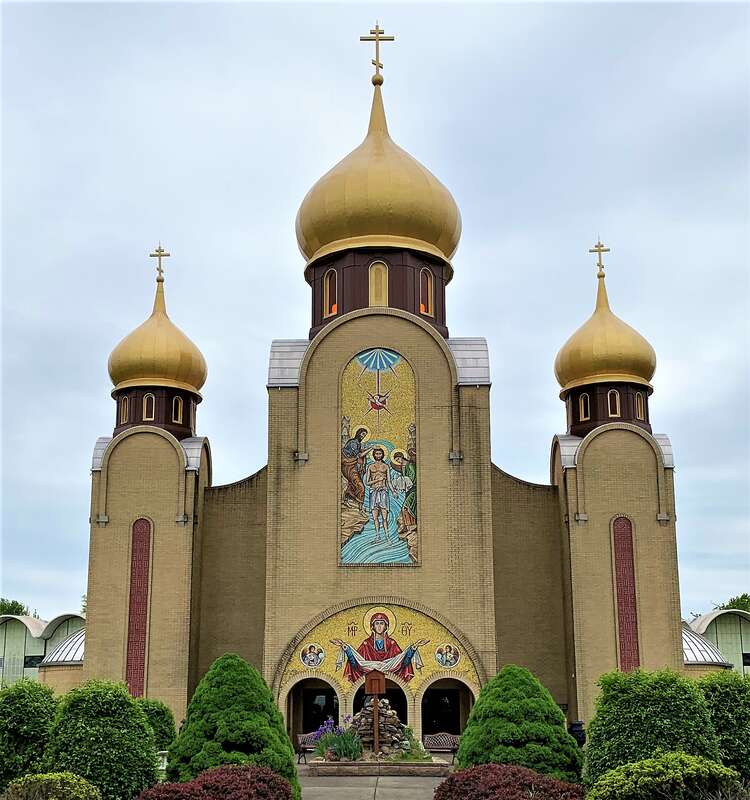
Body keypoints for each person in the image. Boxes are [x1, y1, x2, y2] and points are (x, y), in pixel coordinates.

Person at [331, 612, 429, 683]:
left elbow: (402, 663)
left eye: (381, 623)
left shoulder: (392, 643)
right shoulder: (366, 644)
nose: (379, 626)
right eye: (376, 623)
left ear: (386, 626)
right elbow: (356, 663)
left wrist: (413, 648)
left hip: (391, 675)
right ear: (372, 626)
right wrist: (346, 648)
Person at [365, 448, 397, 542]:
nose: (378, 455)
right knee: (375, 517)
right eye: (376, 454)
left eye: (380, 454)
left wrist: (393, 491)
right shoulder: (370, 467)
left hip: (383, 492)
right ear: (374, 455)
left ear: (382, 455)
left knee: (384, 517)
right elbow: (367, 482)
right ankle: (378, 536)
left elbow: (389, 481)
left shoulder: (386, 466)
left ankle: (387, 536)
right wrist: (377, 480)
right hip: (374, 492)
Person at [341, 428, 371, 510]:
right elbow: (359, 455)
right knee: (361, 486)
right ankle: (360, 508)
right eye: (362, 434)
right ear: (358, 433)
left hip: (352, 466)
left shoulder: (357, 443)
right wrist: (370, 449)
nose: (363, 436)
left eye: (365, 435)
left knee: (352, 484)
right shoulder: (353, 443)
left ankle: (346, 500)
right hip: (348, 465)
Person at [391, 449, 417, 533]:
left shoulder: (410, 465)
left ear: (402, 457)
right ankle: (408, 525)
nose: (398, 461)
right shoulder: (403, 467)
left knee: (406, 507)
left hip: (413, 490)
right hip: (409, 491)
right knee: (405, 508)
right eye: (396, 461)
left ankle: (411, 525)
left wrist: (405, 481)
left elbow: (412, 478)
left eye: (398, 459)